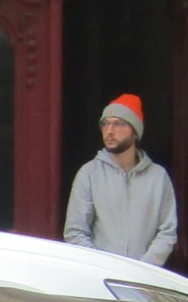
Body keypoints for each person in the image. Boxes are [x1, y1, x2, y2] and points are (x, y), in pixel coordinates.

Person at [63, 93, 178, 266]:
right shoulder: (89, 174)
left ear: (135, 131)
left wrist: (145, 268)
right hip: (101, 279)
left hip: (146, 279)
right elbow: (75, 232)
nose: (109, 131)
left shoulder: (158, 177)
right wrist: (103, 267)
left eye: (118, 124)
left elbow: (167, 231)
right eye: (105, 124)